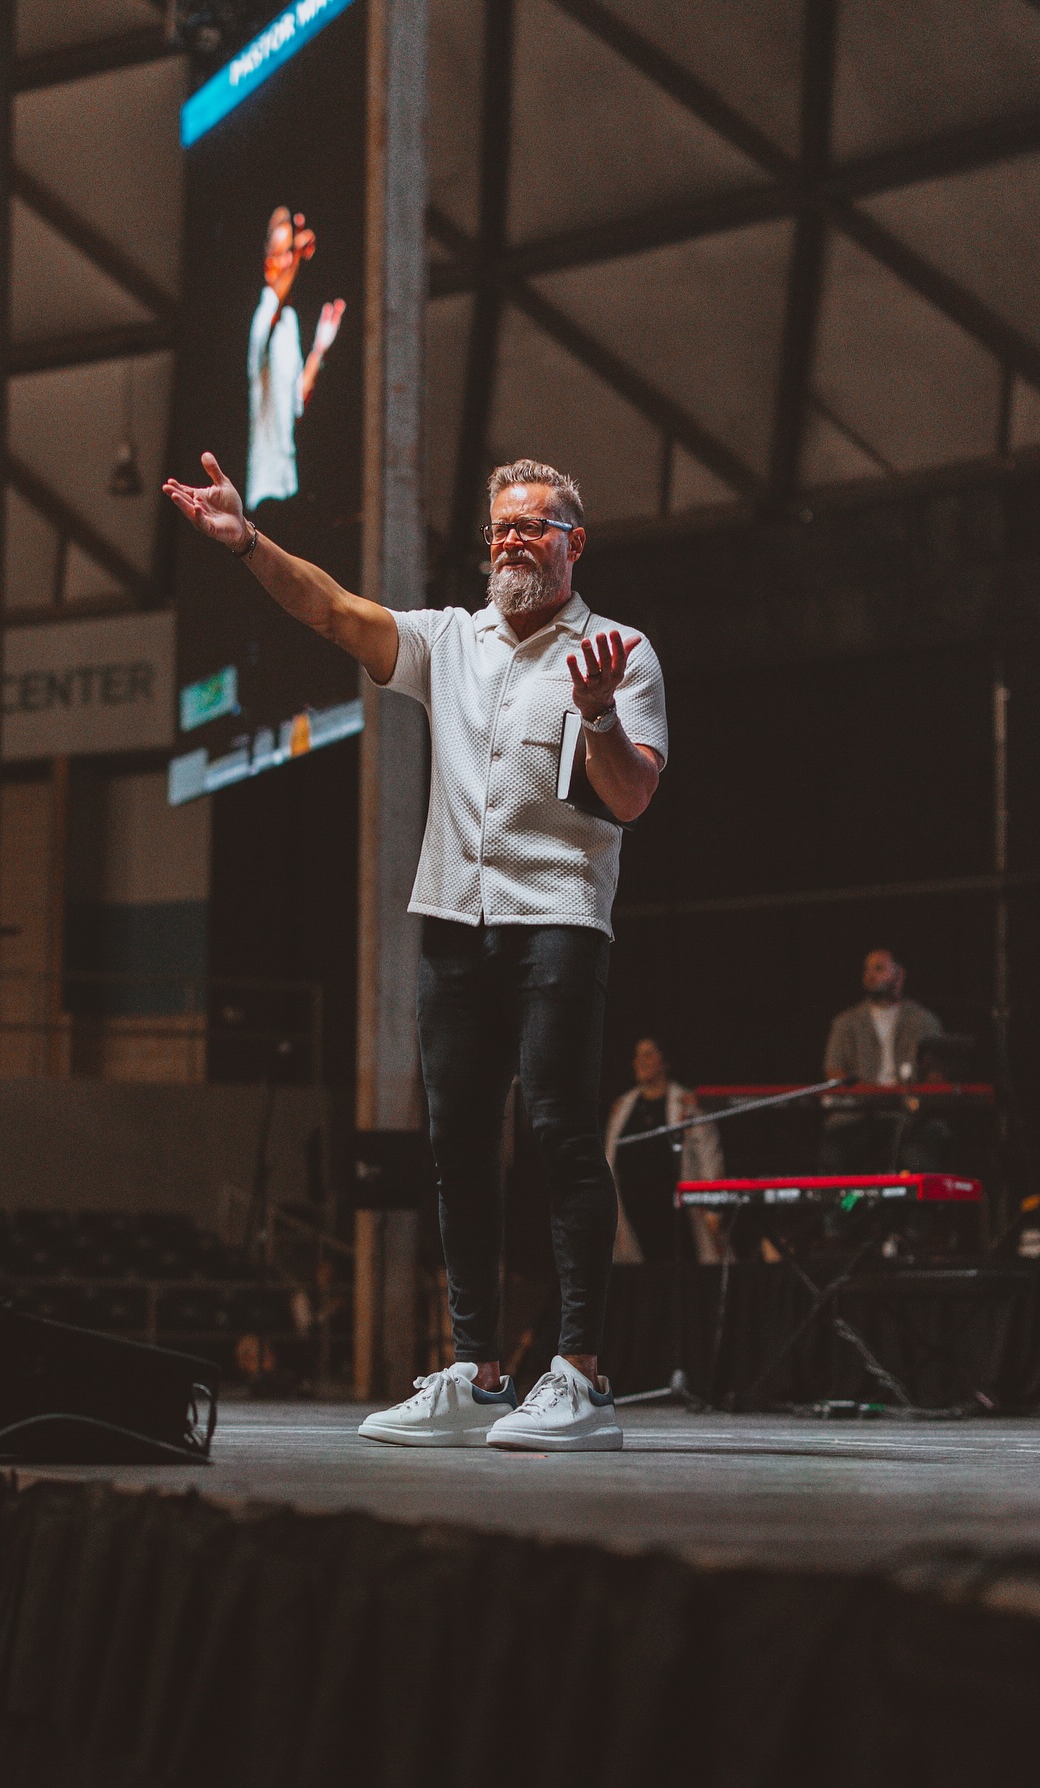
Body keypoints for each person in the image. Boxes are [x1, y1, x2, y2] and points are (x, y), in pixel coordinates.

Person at [164, 454, 667, 1450]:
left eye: (533, 526)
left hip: (558, 921)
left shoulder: (619, 650)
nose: (511, 541)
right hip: (451, 924)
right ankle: (477, 1374)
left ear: (575, 543)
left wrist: (601, 712)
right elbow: (330, 610)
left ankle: (581, 1377)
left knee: (563, 1138)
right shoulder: (449, 641)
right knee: (460, 1149)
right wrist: (248, 541)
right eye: (501, 526)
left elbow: (633, 795)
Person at [245, 207, 346, 512]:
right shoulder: (263, 316)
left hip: (288, 482)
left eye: (292, 252)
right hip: (265, 490)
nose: (290, 260)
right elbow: (276, 300)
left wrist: (319, 349)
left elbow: (297, 402)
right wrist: (299, 254)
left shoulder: (289, 321)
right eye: (284, 253)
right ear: (268, 266)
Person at [820, 948, 947, 1174]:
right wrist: (871, 1093)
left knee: (921, 1155)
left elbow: (936, 1074)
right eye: (866, 969)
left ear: (900, 975)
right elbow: (833, 1071)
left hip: (910, 1116)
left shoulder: (924, 1020)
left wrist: (919, 1096)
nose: (870, 975)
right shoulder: (846, 1022)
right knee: (835, 1150)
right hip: (859, 1114)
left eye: (878, 969)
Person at [606, 1038, 725, 1265]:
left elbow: (709, 1157)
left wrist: (714, 1209)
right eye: (637, 1056)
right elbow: (609, 1160)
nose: (641, 1061)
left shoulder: (687, 1103)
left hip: (678, 1217)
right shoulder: (622, 1107)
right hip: (635, 1215)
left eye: (648, 1054)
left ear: (665, 1061)